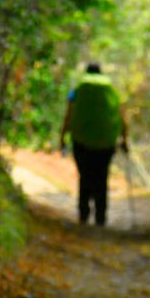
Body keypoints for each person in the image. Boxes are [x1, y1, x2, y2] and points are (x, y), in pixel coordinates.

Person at [59, 62, 129, 226]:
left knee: (85, 175)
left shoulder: (76, 91)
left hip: (81, 140)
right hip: (106, 142)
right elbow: (122, 118)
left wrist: (62, 137)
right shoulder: (112, 91)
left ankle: (83, 213)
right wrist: (124, 139)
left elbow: (69, 115)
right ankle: (100, 216)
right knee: (101, 176)